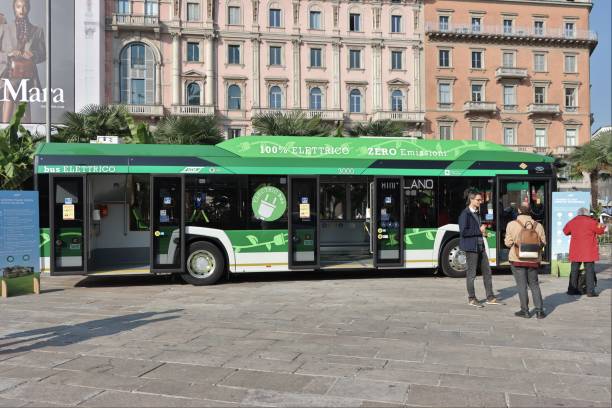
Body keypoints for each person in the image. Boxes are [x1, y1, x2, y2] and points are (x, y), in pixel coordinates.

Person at [0, 0, 46, 122]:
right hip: (8, 73)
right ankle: (4, 130)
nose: (21, 10)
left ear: (29, 8)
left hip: (26, 73)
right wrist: (9, 54)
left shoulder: (37, 30)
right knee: (9, 94)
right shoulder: (4, 28)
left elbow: (43, 54)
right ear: (14, 8)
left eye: (25, 7)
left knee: (24, 105)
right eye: (18, 6)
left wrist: (33, 54)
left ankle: (26, 134)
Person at [504, 204, 547, 319]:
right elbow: (543, 243)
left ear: (518, 211)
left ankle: (525, 311)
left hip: (517, 259)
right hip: (533, 259)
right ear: (530, 211)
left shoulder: (512, 224)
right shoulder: (538, 225)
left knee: (521, 285)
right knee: (534, 284)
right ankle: (539, 311)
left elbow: (508, 243)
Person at [459, 191, 499, 307]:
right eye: (478, 200)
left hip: (480, 246)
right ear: (471, 200)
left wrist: (483, 233)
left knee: (487, 271)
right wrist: (479, 231)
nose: (480, 202)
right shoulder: (465, 214)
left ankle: (490, 297)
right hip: (471, 247)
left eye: (480, 200)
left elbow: (477, 229)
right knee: (471, 274)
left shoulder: (478, 213)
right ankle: (472, 298)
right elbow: (464, 232)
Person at [563, 208, 606, 297]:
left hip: (575, 251)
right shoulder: (592, 222)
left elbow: (565, 231)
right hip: (588, 251)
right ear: (587, 214)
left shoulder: (572, 221)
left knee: (574, 270)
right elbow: (601, 231)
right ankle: (590, 292)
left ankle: (572, 290)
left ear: (578, 214)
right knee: (589, 271)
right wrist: (602, 225)